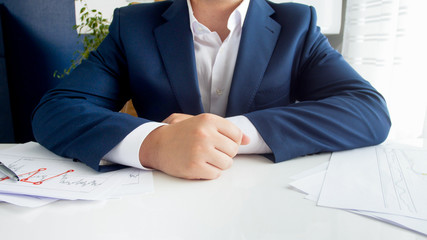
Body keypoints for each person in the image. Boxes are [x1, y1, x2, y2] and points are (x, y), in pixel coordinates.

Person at [31, 0, 391, 180]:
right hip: (155, 208)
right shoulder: (133, 25)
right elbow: (56, 109)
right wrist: (154, 144)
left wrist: (238, 134)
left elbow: (368, 110)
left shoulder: (296, 24)